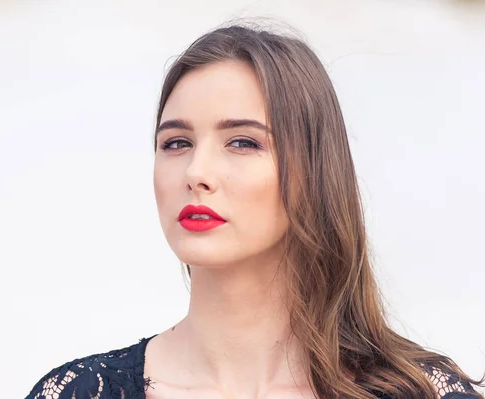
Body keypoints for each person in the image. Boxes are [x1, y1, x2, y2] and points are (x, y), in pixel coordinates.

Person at [24, 23, 484, 399]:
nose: (196, 171)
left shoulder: (425, 392)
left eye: (243, 142)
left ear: (315, 170)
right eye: (176, 143)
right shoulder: (77, 392)